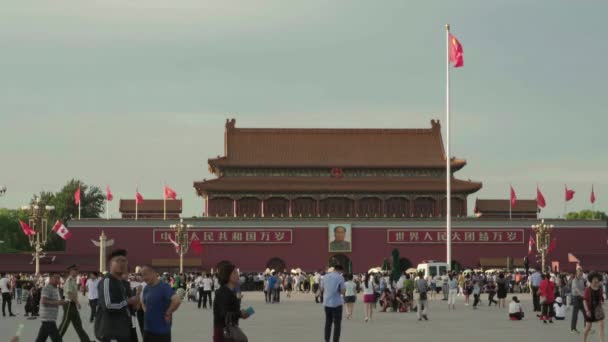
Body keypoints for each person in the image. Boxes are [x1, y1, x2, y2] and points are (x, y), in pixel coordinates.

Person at [96, 249, 142, 342]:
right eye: (118, 261)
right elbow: (108, 305)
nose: (122, 263)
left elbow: (125, 306)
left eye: (124, 261)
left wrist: (135, 303)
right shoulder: (107, 281)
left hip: (124, 330)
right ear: (110, 264)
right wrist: (129, 301)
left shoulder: (121, 283)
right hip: (111, 331)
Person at [141, 265, 182, 342]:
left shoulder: (164, 287)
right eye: (142, 275)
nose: (144, 278)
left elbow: (177, 300)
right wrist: (146, 311)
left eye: (146, 274)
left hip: (161, 331)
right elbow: (143, 301)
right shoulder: (146, 288)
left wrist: (168, 313)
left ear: (154, 273)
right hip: (148, 329)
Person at [213, 262, 250, 342]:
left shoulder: (230, 291)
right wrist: (240, 314)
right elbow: (224, 314)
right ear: (228, 276)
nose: (238, 275)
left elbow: (230, 310)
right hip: (224, 332)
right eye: (235, 273)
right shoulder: (223, 292)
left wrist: (241, 314)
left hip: (230, 330)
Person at [58, 265, 93, 342]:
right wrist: (77, 302)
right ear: (70, 271)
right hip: (69, 304)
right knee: (65, 323)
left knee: (78, 325)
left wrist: (76, 302)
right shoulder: (69, 280)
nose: (77, 271)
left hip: (72, 304)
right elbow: (70, 293)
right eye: (75, 270)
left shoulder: (73, 280)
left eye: (77, 270)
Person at [35, 272, 65, 341]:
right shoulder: (47, 288)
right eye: (56, 278)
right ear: (50, 278)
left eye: (59, 278)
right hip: (48, 318)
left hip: (49, 318)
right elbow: (44, 301)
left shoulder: (54, 288)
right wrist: (58, 302)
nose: (58, 279)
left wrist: (61, 302)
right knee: (57, 340)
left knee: (41, 339)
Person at [321, 264, 345, 342]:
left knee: (328, 322)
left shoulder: (325, 277)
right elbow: (342, 291)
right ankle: (335, 340)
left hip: (327, 303)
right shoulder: (340, 277)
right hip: (336, 303)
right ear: (340, 270)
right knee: (337, 324)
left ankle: (327, 339)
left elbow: (322, 289)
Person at [583, 272, 605, 342]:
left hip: (598, 310)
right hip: (590, 310)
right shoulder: (587, 289)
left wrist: (602, 303)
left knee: (601, 326)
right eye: (594, 279)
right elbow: (584, 301)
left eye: (597, 279)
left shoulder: (600, 289)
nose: (596, 280)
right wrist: (587, 311)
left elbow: (601, 299)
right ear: (591, 280)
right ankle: (584, 340)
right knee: (588, 328)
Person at [571, 267, 587, 334]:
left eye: (581, 272)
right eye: (579, 272)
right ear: (576, 273)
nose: (580, 274)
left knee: (586, 313)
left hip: (582, 298)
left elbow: (583, 289)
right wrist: (582, 294)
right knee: (575, 314)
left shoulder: (582, 280)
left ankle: (586, 328)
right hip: (576, 298)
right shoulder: (574, 280)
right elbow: (576, 289)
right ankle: (573, 329)